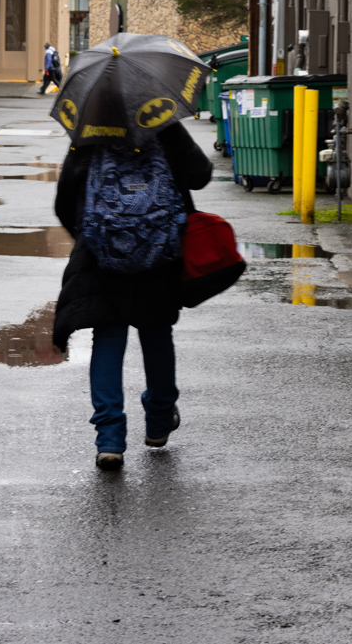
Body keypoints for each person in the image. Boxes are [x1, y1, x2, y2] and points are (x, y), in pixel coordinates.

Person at [51, 121, 212, 470]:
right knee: (156, 333)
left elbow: (64, 200)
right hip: (159, 253)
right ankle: (158, 422)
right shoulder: (162, 122)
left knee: (108, 338)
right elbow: (200, 174)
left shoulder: (90, 130)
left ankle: (109, 441)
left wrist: (92, 234)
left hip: (101, 256)